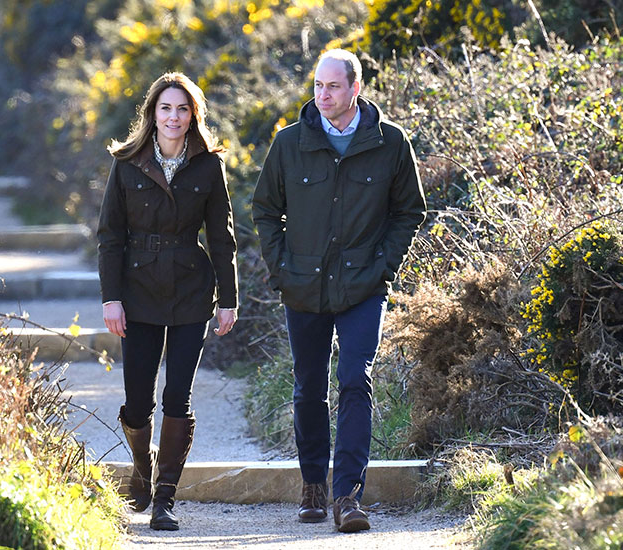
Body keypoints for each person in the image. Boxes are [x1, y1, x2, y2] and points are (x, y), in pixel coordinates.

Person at [252, 49, 426, 533]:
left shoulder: (391, 143)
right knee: (309, 385)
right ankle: (312, 485)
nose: (322, 95)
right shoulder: (289, 143)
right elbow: (265, 210)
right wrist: (283, 268)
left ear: (355, 89)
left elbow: (409, 211)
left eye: (332, 87)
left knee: (355, 379)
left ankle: (347, 495)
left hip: (363, 287)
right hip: (303, 285)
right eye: (316, 86)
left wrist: (382, 267)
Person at [97, 72, 238, 531]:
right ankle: (142, 471)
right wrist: (111, 298)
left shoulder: (209, 166)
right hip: (136, 293)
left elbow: (222, 238)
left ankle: (165, 498)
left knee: (178, 395)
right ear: (152, 114)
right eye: (165, 108)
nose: (174, 117)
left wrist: (228, 299)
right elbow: (110, 236)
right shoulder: (127, 163)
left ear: (193, 114)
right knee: (138, 401)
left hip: (190, 292)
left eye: (182, 109)